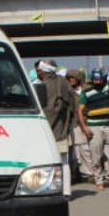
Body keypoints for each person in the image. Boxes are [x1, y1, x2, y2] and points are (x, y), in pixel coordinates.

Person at [35, 61, 75, 197]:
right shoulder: (64, 83)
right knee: (64, 161)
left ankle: (49, 190)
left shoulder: (42, 86)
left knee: (46, 162)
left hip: (47, 130)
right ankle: (66, 191)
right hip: (62, 129)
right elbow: (73, 103)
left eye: (39, 71)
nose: (38, 73)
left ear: (44, 71)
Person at [78, 69, 109, 190]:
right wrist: (85, 127)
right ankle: (99, 180)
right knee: (96, 155)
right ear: (92, 79)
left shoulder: (108, 87)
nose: (98, 81)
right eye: (96, 79)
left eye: (100, 79)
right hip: (94, 127)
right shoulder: (86, 93)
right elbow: (80, 111)